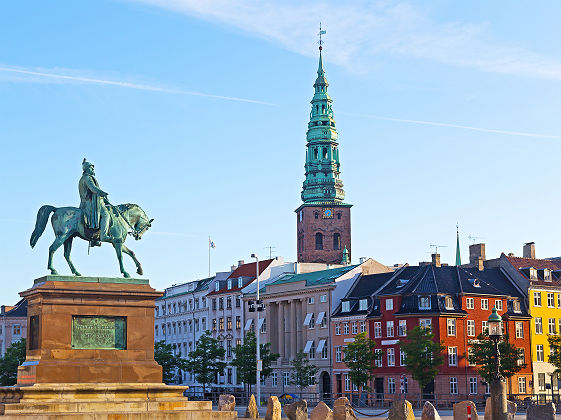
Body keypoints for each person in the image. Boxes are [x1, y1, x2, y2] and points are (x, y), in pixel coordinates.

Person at [79, 159, 113, 246]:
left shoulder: (84, 178)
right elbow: (93, 188)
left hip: (88, 202)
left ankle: (94, 239)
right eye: (91, 168)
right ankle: (103, 235)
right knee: (106, 214)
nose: (93, 170)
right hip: (90, 204)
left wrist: (104, 199)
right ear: (86, 169)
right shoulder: (87, 178)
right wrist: (102, 193)